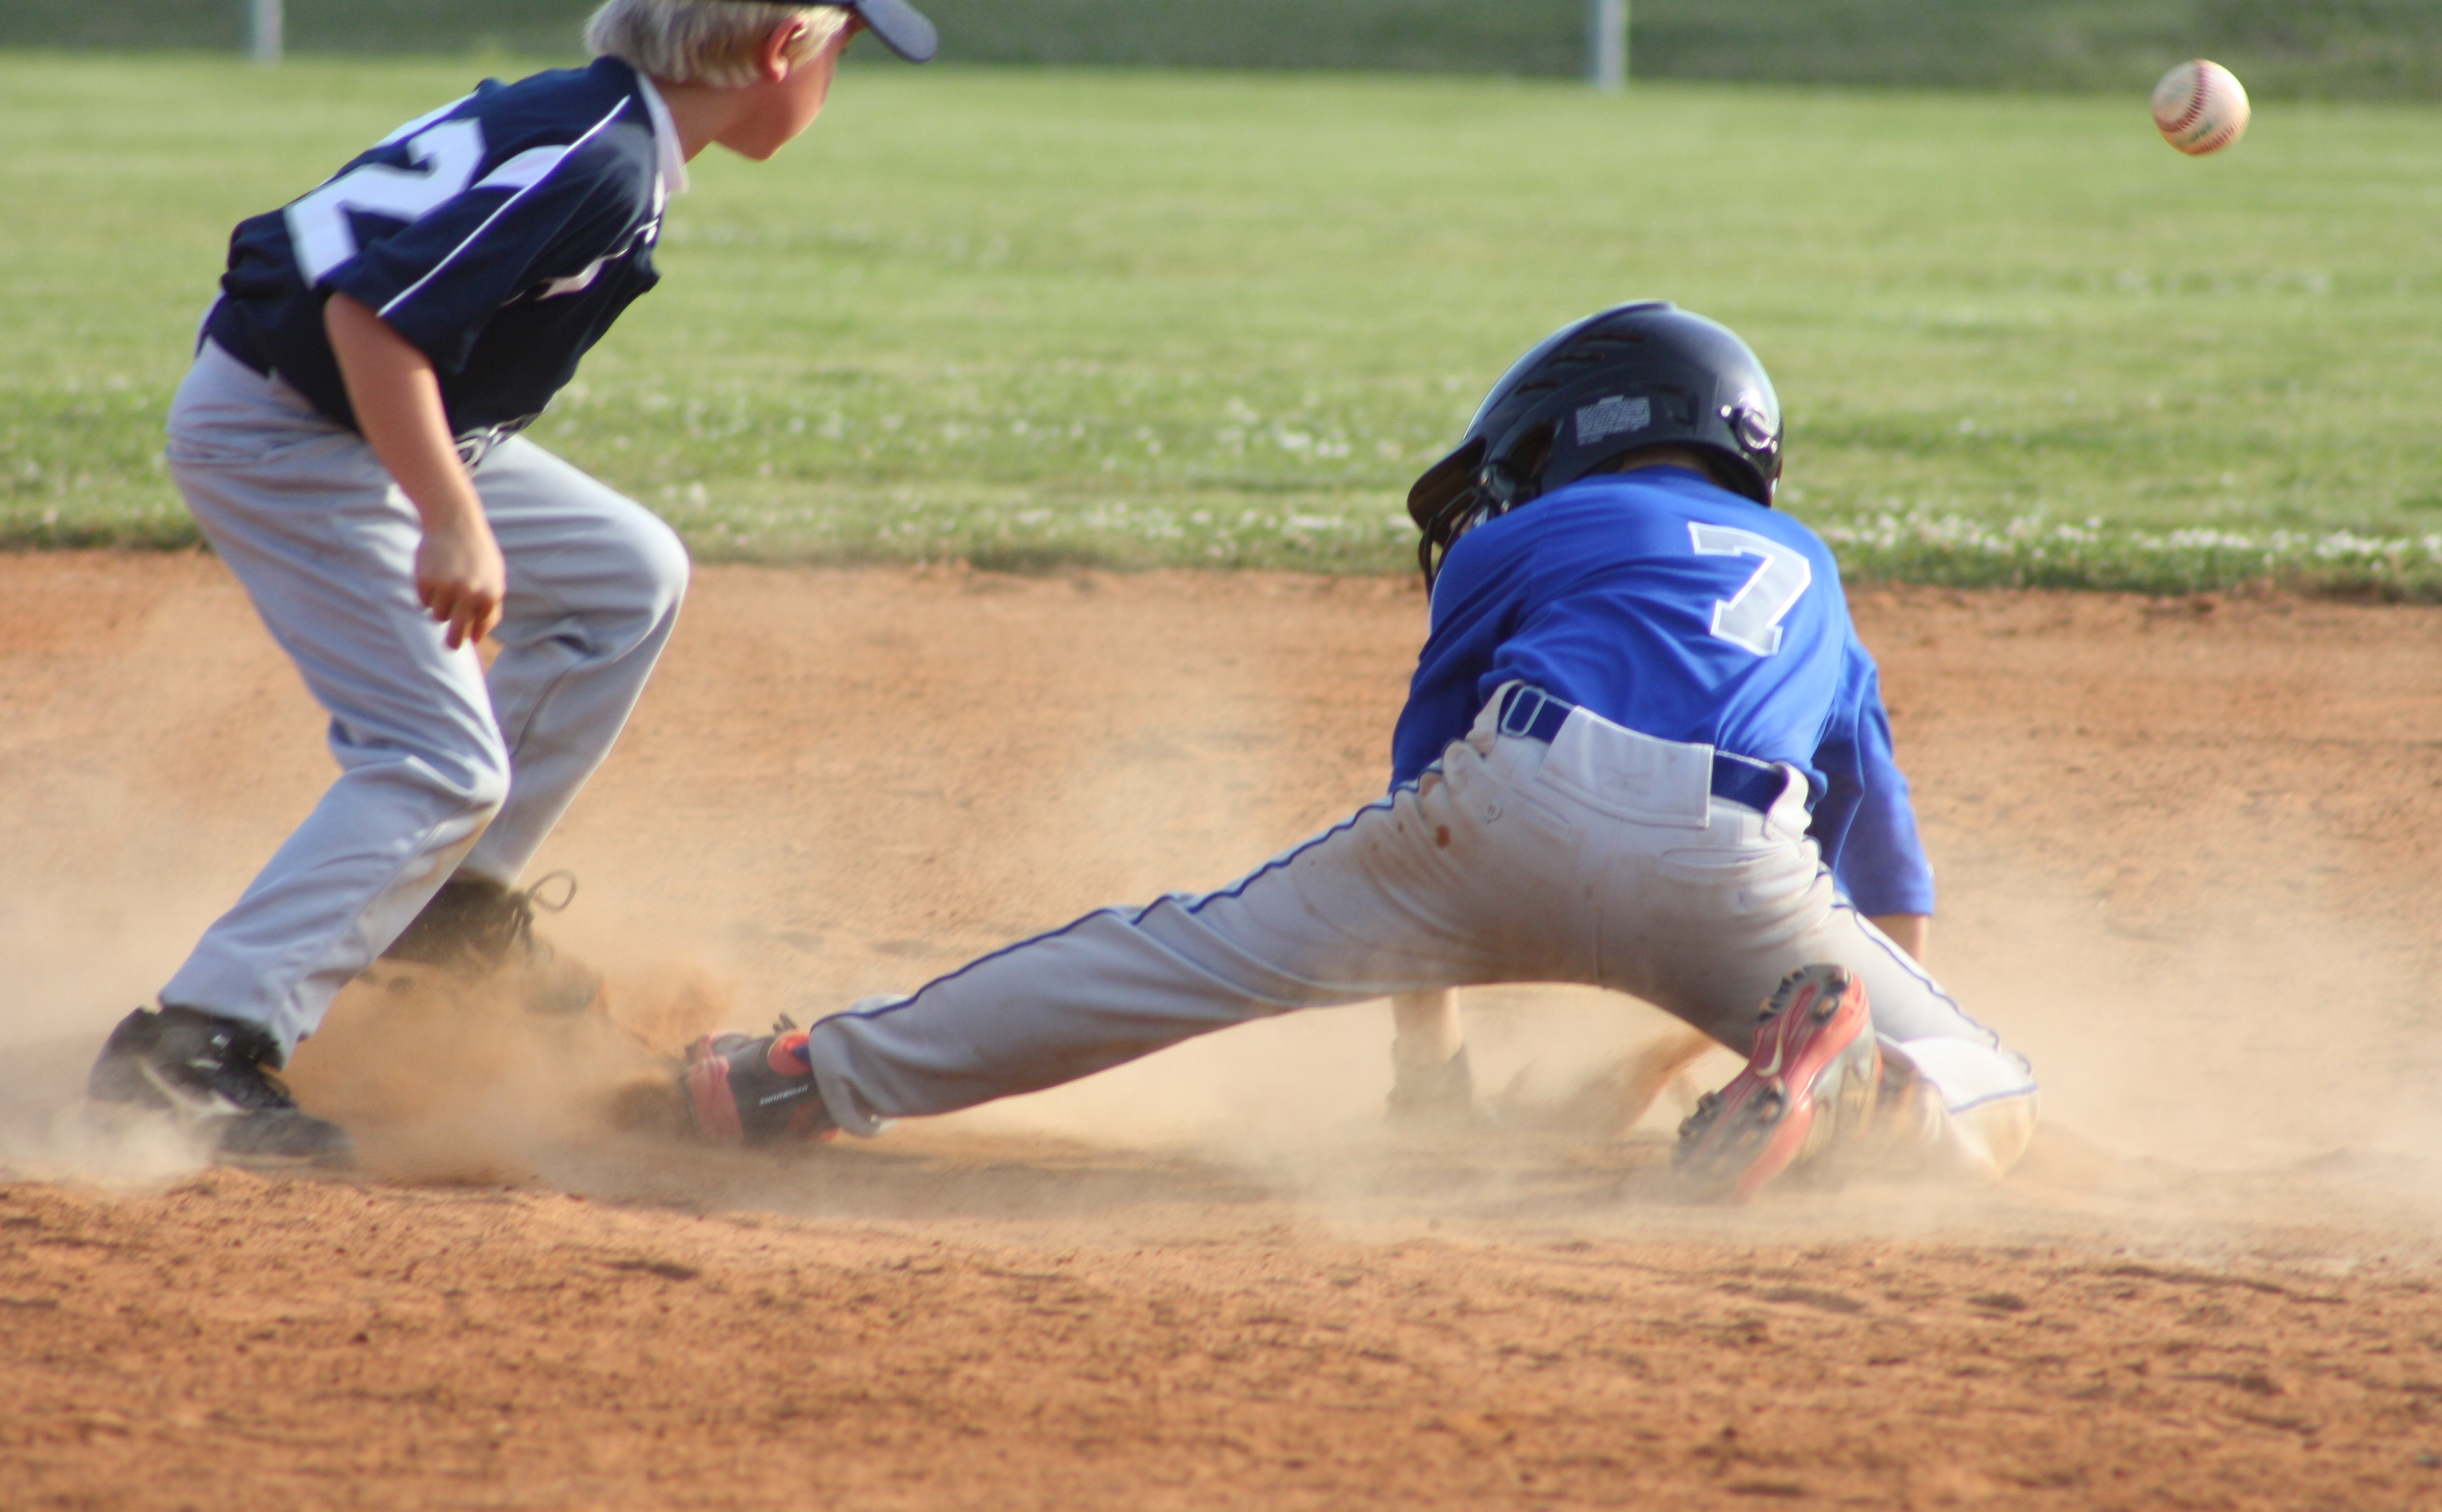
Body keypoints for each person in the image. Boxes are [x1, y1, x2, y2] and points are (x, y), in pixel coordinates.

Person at [675, 304, 2037, 1200]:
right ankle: (1874, 1112)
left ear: (1587, 434)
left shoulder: (1518, 541)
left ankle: (804, 1085)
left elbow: (1427, 790)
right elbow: (1884, 860)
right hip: (1750, 867)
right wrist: (1871, 998)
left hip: (1517, 794)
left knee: (1177, 956)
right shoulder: (1811, 571)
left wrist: (1429, 1084)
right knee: (1997, 1113)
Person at [86, 0, 938, 1169]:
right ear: (782, 49)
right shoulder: (598, 165)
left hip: (350, 418)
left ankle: (449, 911)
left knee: (627, 573)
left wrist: (446, 491)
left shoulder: (595, 118)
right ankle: (193, 1047)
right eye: (847, 47)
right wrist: (450, 518)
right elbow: (370, 320)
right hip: (296, 433)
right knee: (436, 759)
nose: (843, 74)